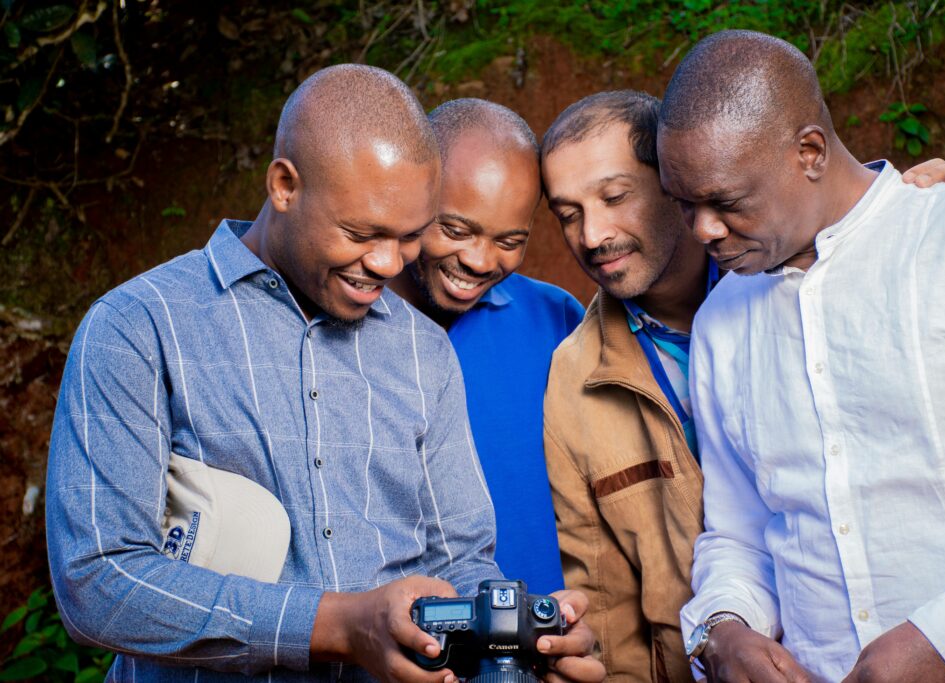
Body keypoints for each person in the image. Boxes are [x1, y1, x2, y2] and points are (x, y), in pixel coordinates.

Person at [46, 65, 598, 683]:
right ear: (284, 185)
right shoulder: (138, 327)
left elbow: (463, 560)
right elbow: (97, 583)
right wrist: (338, 626)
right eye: (362, 234)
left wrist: (516, 645)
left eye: (411, 237)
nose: (388, 265)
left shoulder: (423, 350)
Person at [539, 89, 945, 682]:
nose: (592, 235)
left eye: (615, 197)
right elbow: (608, 612)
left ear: (676, 177)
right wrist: (719, 635)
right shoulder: (573, 379)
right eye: (568, 214)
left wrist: (916, 216)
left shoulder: (814, 267)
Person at [658, 30, 945, 683]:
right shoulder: (719, 324)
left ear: (809, 152)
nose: (703, 230)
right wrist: (724, 628)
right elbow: (740, 532)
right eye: (685, 204)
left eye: (725, 203)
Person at [390, 98, 584, 595]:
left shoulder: (556, 319)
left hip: (541, 642)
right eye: (455, 230)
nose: (479, 261)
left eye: (509, 240)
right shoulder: (344, 320)